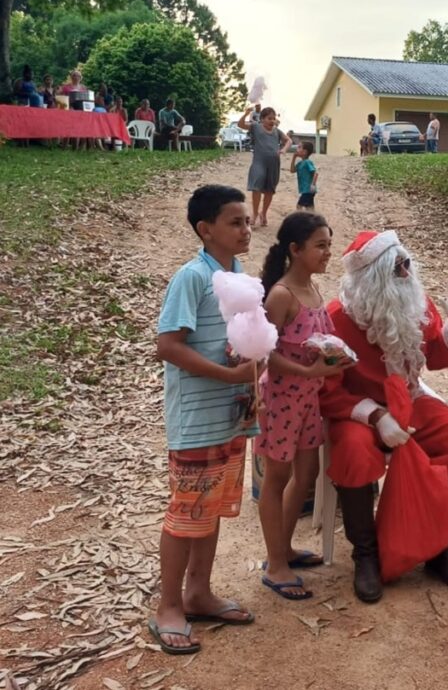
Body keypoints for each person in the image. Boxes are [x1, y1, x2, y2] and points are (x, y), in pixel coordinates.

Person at [320, 230, 448, 603]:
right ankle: (366, 555)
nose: (408, 274)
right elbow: (328, 394)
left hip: (409, 399)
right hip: (358, 411)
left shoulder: (417, 303)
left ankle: (441, 547)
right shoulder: (336, 318)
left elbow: (441, 358)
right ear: (370, 277)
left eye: (408, 263)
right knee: (356, 453)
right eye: (397, 267)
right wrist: (375, 417)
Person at [151, 185, 258, 654]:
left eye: (247, 221)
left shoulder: (239, 277)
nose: (245, 229)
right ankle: (168, 605)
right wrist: (227, 372)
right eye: (235, 222)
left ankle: (199, 591)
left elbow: (245, 341)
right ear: (205, 229)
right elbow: (168, 346)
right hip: (196, 418)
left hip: (232, 416)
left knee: (210, 507)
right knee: (185, 512)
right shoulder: (191, 278)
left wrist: (254, 367)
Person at [255, 212, 350, 600]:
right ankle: (275, 564)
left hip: (308, 402)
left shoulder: (311, 291)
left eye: (329, 244)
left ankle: (285, 549)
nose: (328, 252)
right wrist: (310, 372)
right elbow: (264, 354)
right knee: (276, 479)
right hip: (281, 400)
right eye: (320, 245)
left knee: (306, 472)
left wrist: (333, 362)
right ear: (295, 250)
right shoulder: (281, 295)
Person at [237, 104, 291, 227]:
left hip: (274, 164)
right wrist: (246, 114)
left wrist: (283, 150)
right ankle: (255, 214)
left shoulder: (277, 131)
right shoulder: (256, 127)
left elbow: (288, 140)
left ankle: (264, 213)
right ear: (262, 119)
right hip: (259, 162)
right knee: (256, 187)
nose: (272, 121)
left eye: (273, 118)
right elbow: (240, 125)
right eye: (269, 118)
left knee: (269, 190)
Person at [290, 141, 318, 211]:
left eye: (299, 147)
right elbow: (292, 170)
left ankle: (301, 219)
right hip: (305, 190)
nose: (297, 149)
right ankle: (312, 219)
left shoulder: (307, 162)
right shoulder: (300, 163)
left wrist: (313, 185)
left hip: (308, 190)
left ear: (305, 152)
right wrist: (294, 158)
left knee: (299, 206)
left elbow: (315, 173)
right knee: (309, 207)